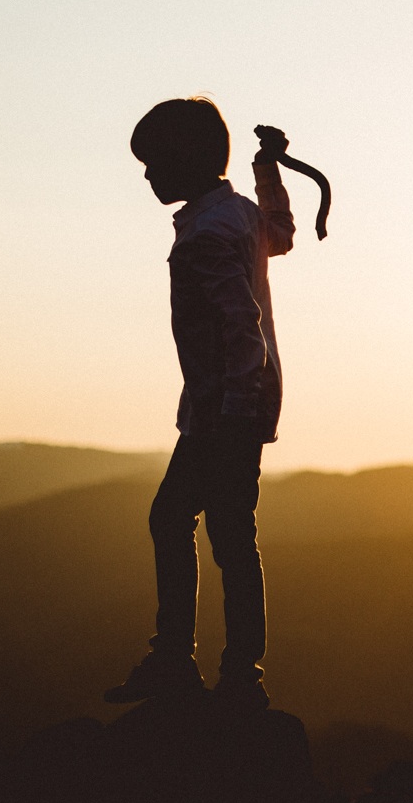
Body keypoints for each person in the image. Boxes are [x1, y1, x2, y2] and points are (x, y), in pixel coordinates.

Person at [106, 97, 295, 709]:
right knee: (226, 531)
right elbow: (282, 236)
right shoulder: (233, 214)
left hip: (226, 407)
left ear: (183, 160)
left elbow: (241, 327)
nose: (146, 175)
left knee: (194, 524)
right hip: (235, 402)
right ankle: (228, 672)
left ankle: (206, 670)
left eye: (154, 161)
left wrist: (232, 413)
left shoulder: (206, 236)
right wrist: (268, 172)